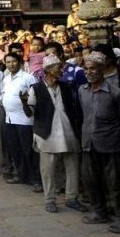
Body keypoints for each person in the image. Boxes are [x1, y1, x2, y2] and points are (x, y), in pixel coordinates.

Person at [78, 52, 120, 234]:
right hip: (88, 143)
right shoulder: (81, 91)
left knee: (116, 183)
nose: (89, 72)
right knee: (91, 181)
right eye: (86, 68)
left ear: (102, 69)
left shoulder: (117, 93)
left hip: (111, 144)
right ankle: (100, 212)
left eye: (93, 68)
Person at [25, 55, 86, 214]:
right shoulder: (36, 88)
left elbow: (72, 109)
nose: (62, 70)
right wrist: (24, 103)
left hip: (68, 132)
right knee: (48, 170)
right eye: (58, 67)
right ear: (48, 70)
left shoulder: (65, 86)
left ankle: (72, 198)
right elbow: (30, 112)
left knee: (72, 167)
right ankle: (49, 200)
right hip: (46, 134)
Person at [1, 52, 41, 191]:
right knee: (15, 150)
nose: (11, 64)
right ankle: (21, 175)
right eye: (8, 62)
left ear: (19, 62)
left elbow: (36, 97)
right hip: (9, 119)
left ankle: (36, 180)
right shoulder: (6, 79)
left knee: (29, 150)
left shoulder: (28, 78)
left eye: (13, 61)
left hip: (25, 120)